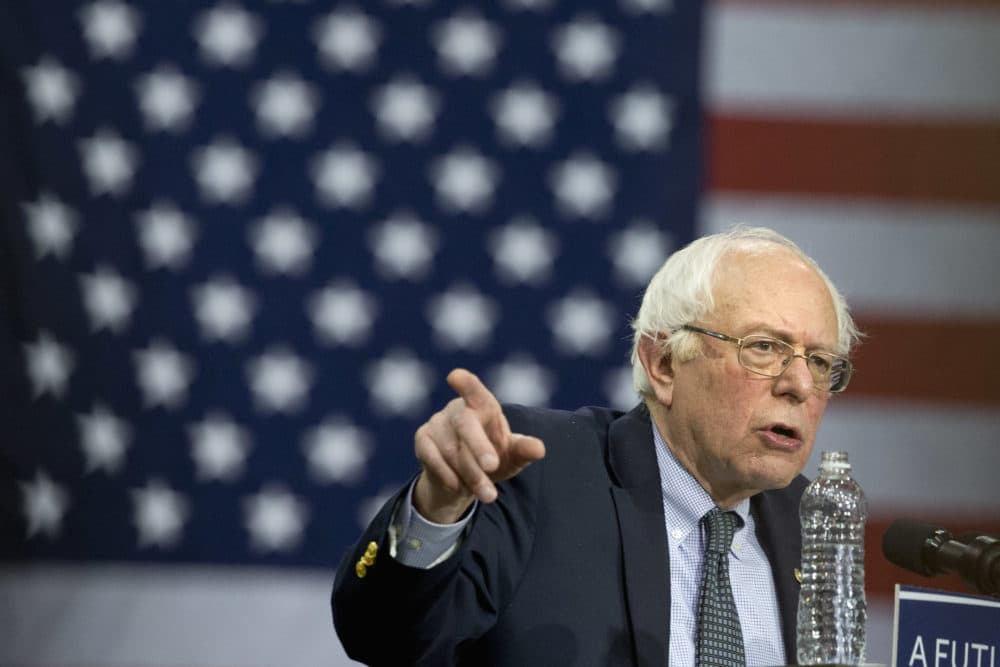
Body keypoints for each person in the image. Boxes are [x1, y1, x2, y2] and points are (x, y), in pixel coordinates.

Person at [332, 226, 860, 666]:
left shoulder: (814, 520)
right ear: (664, 364)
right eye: (764, 348)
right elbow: (383, 637)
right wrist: (439, 507)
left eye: (820, 362)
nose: (799, 385)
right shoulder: (539, 471)